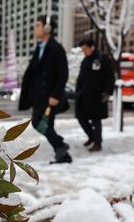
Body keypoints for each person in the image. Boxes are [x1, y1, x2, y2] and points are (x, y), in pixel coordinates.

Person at [19, 15, 72, 164]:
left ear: (47, 28)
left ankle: (60, 145)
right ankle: (63, 155)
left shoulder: (56, 48)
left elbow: (63, 74)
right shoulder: (40, 48)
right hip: (39, 97)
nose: (35, 28)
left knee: (38, 123)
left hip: (51, 97)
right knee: (47, 125)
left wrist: (55, 95)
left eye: (38, 25)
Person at [75, 39, 116, 152]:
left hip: (97, 95)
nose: (83, 51)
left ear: (92, 47)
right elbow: (81, 77)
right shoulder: (85, 60)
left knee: (95, 119)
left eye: (85, 49)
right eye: (82, 49)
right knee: (80, 117)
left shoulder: (102, 58)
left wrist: (108, 92)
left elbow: (110, 76)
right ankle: (92, 136)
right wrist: (77, 91)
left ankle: (97, 143)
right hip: (84, 95)